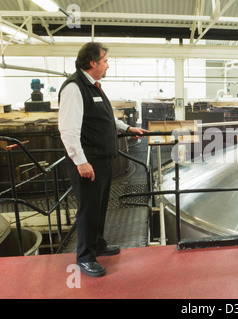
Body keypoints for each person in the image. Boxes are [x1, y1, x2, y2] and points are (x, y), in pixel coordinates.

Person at [58, 42, 146, 277]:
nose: (108, 64)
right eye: (105, 60)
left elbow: (105, 118)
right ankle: (85, 258)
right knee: (88, 209)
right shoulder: (74, 88)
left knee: (99, 206)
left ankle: (97, 244)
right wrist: (80, 161)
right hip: (89, 161)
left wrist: (127, 127)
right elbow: (68, 130)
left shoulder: (94, 87)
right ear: (92, 62)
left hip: (103, 159)